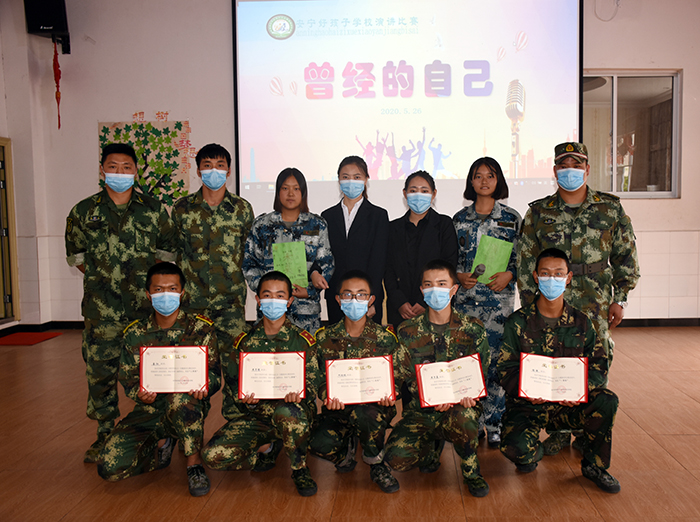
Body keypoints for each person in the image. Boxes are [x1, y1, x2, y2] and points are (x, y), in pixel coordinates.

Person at [516, 142, 639, 455]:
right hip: (552, 302)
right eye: (563, 165)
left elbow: (626, 257)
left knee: (596, 361)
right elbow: (526, 262)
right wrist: (530, 306)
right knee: (556, 359)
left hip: (595, 300)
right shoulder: (539, 212)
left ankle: (589, 430)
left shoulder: (609, 209)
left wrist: (621, 299)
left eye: (576, 165)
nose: (570, 171)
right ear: (555, 170)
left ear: (587, 169)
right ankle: (560, 429)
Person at [65, 142, 177, 463]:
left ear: (136, 171)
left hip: (145, 311)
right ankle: (104, 434)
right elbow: (78, 259)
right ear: (102, 170)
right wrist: (107, 280)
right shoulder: (83, 211)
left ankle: (156, 429)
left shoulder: (153, 210)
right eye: (113, 166)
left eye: (126, 167)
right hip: (101, 311)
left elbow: (165, 256)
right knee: (100, 373)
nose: (120, 172)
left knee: (150, 370)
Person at [498, 248, 620, 494]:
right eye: (545, 273)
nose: (551, 279)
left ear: (568, 277)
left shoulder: (582, 322)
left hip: (569, 405)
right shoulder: (517, 322)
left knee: (606, 400)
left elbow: (598, 365)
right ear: (535, 277)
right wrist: (526, 391)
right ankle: (533, 450)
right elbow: (505, 368)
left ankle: (594, 465)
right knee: (518, 452)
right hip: (529, 405)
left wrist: (578, 391)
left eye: (558, 274)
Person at [97, 262, 221, 497]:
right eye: (158, 289)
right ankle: (163, 444)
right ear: (148, 294)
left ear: (182, 292)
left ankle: (193, 463)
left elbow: (214, 374)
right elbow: (129, 379)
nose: (166, 295)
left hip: (188, 405)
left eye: (172, 289)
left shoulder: (201, 329)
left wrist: (204, 386)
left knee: (180, 400)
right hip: (149, 409)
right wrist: (139, 393)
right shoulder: (135, 334)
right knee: (109, 467)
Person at [202, 271, 321, 497]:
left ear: (289, 301)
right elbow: (233, 389)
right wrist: (246, 401)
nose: (273, 301)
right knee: (212, 456)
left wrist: (300, 394)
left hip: (293, 414)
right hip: (257, 417)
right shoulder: (244, 344)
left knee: (288, 412)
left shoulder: (303, 341)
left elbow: (314, 383)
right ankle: (268, 448)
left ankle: (299, 469)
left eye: (280, 296)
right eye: (267, 295)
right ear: (258, 300)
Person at [384, 259, 491, 498]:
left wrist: (466, 397)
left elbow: (481, 373)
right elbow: (397, 374)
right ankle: (432, 447)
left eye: (442, 284)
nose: (435, 290)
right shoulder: (407, 331)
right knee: (396, 458)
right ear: (422, 290)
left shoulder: (473, 329)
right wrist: (385, 394)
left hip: (461, 407)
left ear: (454, 289)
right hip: (421, 410)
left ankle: (471, 472)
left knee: (464, 420)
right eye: (428, 285)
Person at [310, 270, 400, 493]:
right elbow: (316, 375)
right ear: (338, 300)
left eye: (361, 295)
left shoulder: (386, 338)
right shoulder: (323, 338)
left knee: (366, 415)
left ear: (371, 300)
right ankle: (345, 453)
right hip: (337, 409)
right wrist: (326, 394)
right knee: (316, 442)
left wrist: (392, 392)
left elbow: (396, 374)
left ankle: (376, 463)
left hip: (374, 408)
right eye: (348, 295)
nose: (354, 300)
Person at [452, 157, 521, 448]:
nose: (484, 181)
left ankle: (494, 424)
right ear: (471, 181)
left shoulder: (512, 218)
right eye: (478, 176)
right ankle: (473, 422)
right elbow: (452, 259)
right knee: (471, 363)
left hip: (498, 304)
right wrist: (458, 275)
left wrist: (510, 274)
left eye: (490, 176)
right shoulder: (459, 219)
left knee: (495, 365)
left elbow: (521, 257)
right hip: (466, 304)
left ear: (498, 180)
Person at [171, 143, 254, 356]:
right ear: (199, 171)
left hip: (231, 304)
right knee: (192, 363)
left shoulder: (242, 209)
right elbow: (173, 252)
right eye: (207, 165)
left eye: (220, 165)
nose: (214, 170)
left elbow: (250, 253)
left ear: (229, 171)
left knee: (234, 363)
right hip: (192, 303)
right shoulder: (182, 209)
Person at [243, 168, 334, 334]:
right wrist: (267, 292)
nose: (290, 193)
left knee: (306, 351)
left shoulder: (317, 225)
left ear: (303, 193)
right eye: (285, 188)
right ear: (278, 192)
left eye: (296, 188)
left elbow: (326, 263)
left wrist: (310, 290)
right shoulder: (262, 225)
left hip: (305, 314)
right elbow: (250, 264)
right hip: (270, 313)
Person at [321, 156, 389, 325]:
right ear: (339, 180)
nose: (351, 181)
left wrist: (371, 299)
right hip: (337, 297)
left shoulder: (378, 216)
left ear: (366, 179)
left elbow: (378, 262)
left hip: (366, 298)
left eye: (357, 177)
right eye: (345, 177)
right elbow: (323, 255)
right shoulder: (327, 216)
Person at [385, 170, 458, 328]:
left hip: (434, 304)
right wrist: (399, 302)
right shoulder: (392, 228)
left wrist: (424, 301)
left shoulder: (444, 225)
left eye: (424, 191)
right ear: (404, 194)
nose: (418, 195)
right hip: (400, 310)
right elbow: (387, 268)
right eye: (413, 190)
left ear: (433, 194)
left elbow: (449, 264)